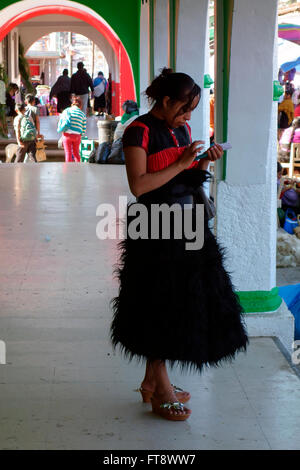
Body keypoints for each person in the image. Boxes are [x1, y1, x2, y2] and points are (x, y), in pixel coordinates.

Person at [110, 68, 248, 421]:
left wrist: (201, 161)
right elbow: (140, 186)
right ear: (166, 101)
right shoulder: (137, 131)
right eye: (184, 109)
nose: (188, 118)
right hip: (154, 227)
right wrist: (185, 161)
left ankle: (151, 383)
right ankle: (162, 389)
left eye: (192, 111)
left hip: (187, 222)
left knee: (181, 302)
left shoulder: (182, 130)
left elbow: (183, 174)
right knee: (158, 303)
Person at [57, 95, 87, 162]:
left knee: (68, 153)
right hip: (77, 136)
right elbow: (84, 128)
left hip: (67, 135)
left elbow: (61, 121)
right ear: (80, 105)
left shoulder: (66, 111)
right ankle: (78, 168)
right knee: (76, 153)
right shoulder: (82, 114)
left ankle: (68, 169)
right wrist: (80, 135)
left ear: (72, 104)